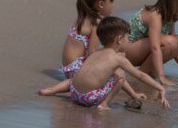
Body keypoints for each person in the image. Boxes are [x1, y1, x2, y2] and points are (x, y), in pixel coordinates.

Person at [37, 16, 169, 111]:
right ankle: (104, 104)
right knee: (121, 76)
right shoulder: (118, 59)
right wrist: (160, 88)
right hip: (89, 99)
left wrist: (134, 95)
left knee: (74, 79)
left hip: (74, 93)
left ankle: (51, 90)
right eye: (128, 37)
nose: (129, 41)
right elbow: (140, 75)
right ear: (119, 39)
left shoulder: (96, 53)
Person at [59, 0, 119, 75]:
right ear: (101, 4)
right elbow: (92, 52)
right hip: (77, 71)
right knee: (115, 74)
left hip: (69, 68)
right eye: (111, 1)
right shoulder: (96, 23)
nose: (113, 5)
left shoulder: (82, 16)